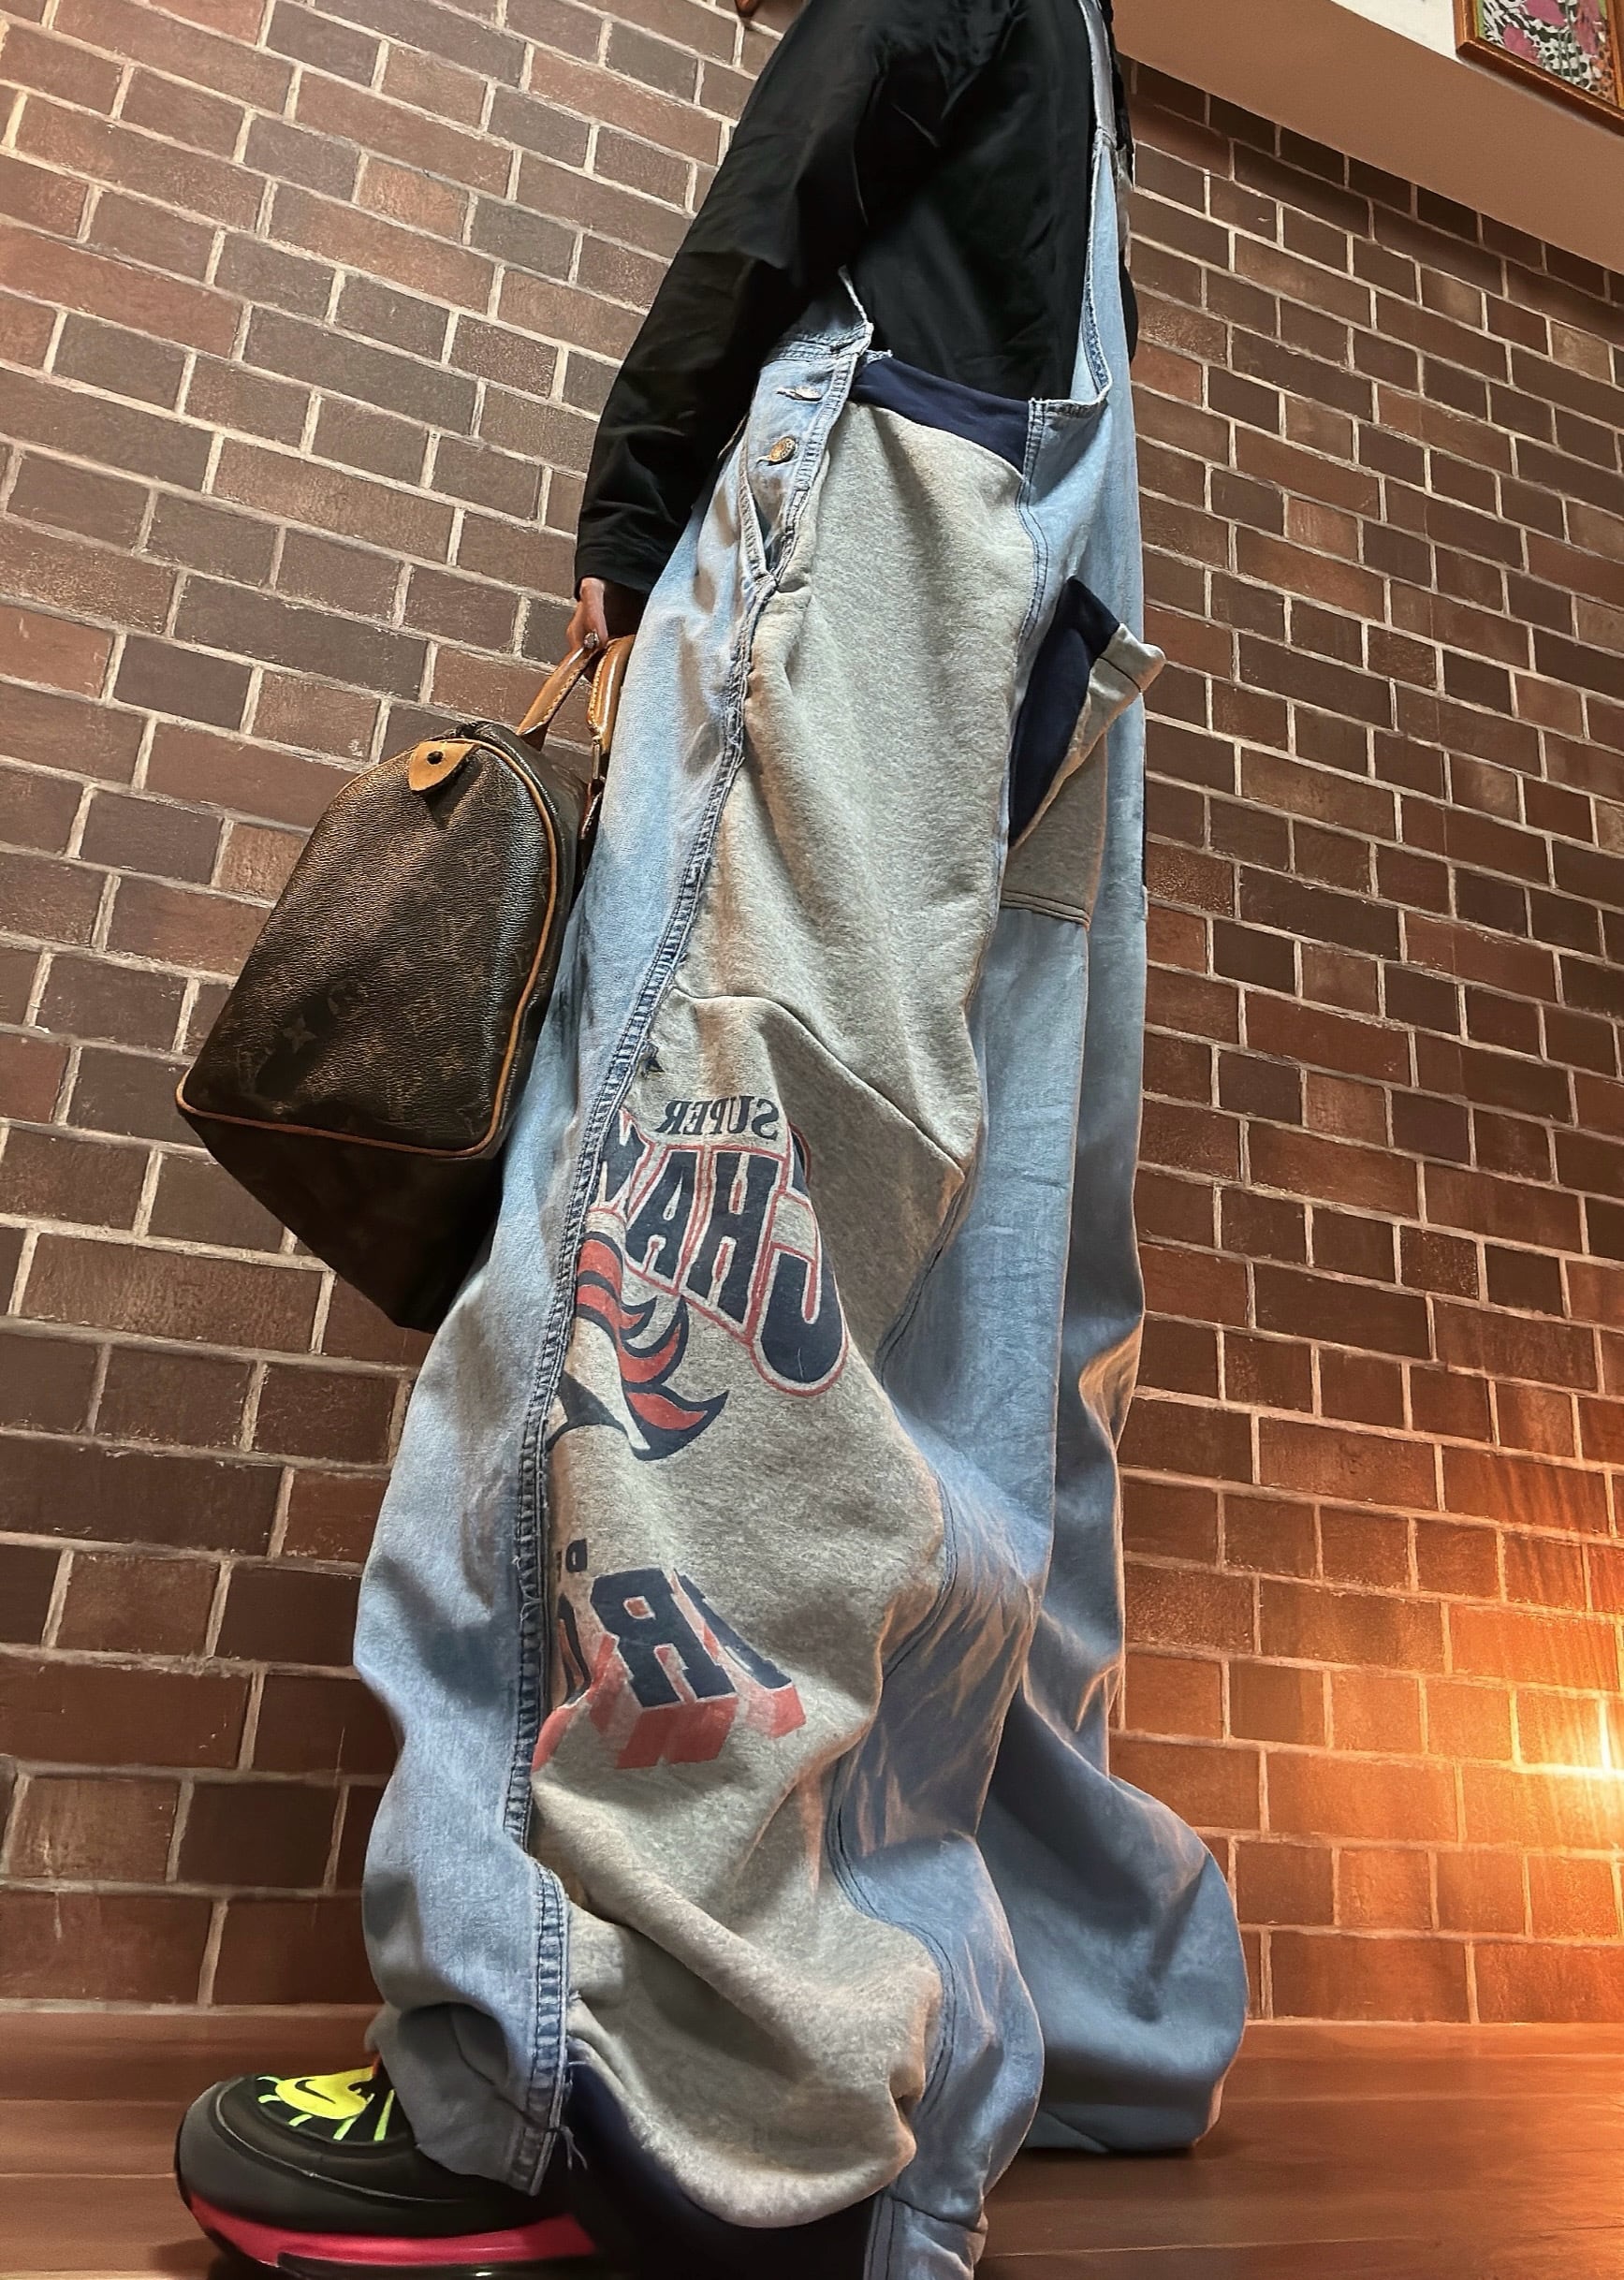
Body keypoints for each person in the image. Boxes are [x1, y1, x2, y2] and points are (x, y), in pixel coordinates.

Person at [175, 0, 1248, 2271]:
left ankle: (587, 2075)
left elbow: (815, 145)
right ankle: (1016, 2019)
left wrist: (638, 476)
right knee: (964, 1342)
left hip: (889, 514)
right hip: (1037, 590)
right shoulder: (1083, 74)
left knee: (666, 1224)